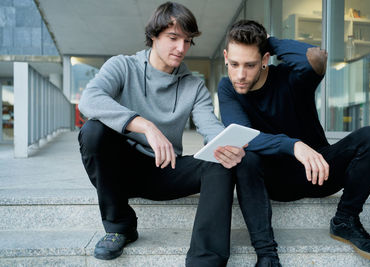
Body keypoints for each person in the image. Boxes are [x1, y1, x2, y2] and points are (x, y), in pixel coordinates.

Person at [78, 2, 245, 266]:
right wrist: (145, 125)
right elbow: (89, 100)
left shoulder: (193, 86)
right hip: (120, 171)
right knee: (93, 131)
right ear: (154, 35)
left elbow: (209, 125)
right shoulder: (123, 66)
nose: (181, 48)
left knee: (219, 161)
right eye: (173, 38)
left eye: (187, 41)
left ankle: (206, 260)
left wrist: (226, 144)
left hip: (166, 170)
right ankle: (119, 228)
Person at [218, 19, 370, 267]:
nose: (240, 74)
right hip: (272, 182)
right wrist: (294, 145)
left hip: (318, 172)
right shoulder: (227, 88)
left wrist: (270, 41)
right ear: (225, 57)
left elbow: (316, 58)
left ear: (265, 59)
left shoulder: (291, 79)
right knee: (245, 156)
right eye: (234, 64)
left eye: (250, 64)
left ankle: (345, 220)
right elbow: (242, 134)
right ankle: (267, 256)